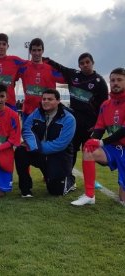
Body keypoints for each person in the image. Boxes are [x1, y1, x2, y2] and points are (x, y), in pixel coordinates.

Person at [45, 53, 109, 185]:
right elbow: (61, 68)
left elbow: (104, 107)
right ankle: (68, 177)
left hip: (90, 124)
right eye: (82, 63)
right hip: (74, 121)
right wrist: (48, 60)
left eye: (87, 62)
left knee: (89, 151)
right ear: (79, 65)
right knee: (71, 150)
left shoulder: (99, 82)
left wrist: (97, 125)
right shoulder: (74, 75)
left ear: (92, 62)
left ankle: (90, 179)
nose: (85, 65)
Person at [71, 68, 125, 206]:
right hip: (115, 148)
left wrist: (101, 142)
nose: (115, 83)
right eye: (113, 80)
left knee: (123, 199)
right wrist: (92, 140)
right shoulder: (105, 105)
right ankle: (90, 195)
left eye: (119, 80)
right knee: (88, 149)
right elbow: (99, 127)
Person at [15, 89, 76, 197]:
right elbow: (26, 129)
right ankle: (26, 189)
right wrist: (33, 145)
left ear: (58, 101)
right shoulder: (36, 113)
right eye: (44, 99)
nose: (45, 101)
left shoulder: (68, 118)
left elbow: (60, 144)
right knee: (20, 151)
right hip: (38, 152)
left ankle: (69, 180)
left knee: (55, 191)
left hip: (58, 156)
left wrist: (37, 147)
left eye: (50, 99)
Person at [17, 38, 65, 121]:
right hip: (28, 113)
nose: (36, 53)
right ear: (30, 51)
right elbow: (9, 74)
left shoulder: (51, 69)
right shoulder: (24, 67)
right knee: (27, 134)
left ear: (43, 51)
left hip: (46, 113)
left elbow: (70, 80)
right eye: (34, 50)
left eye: (39, 50)